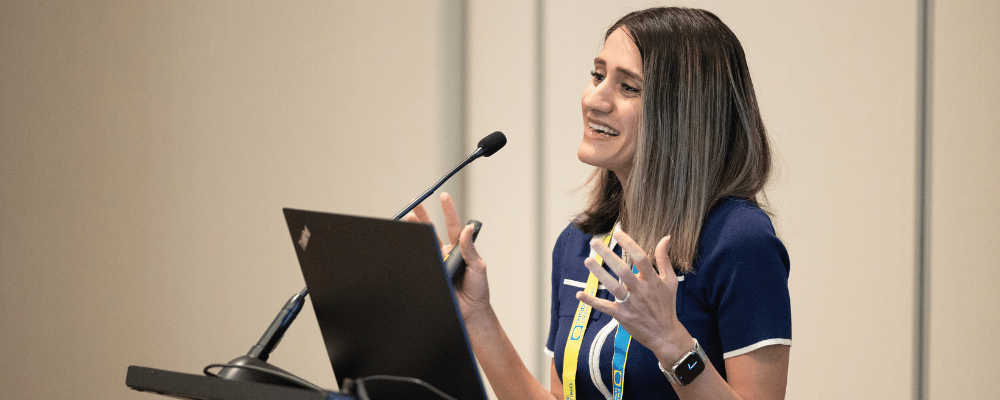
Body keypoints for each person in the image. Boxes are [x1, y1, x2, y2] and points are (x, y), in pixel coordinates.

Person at [408, 7, 790, 400]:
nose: (594, 99)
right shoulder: (578, 243)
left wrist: (672, 343)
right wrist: (476, 315)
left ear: (684, 113)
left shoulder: (740, 241)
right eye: (597, 75)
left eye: (628, 87)